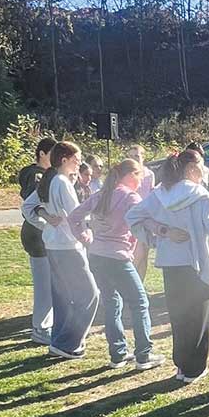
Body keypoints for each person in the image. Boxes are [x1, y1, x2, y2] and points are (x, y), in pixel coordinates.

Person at [126, 148, 209, 383]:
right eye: (201, 164)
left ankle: (182, 365)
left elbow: (133, 217)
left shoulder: (160, 194)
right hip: (195, 263)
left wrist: (162, 231)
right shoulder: (199, 195)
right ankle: (194, 368)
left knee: (179, 316)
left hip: (171, 264)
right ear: (191, 169)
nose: (205, 169)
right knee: (198, 317)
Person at [68, 159, 166, 371]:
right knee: (139, 303)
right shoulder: (130, 197)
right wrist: (161, 233)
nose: (141, 181)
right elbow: (144, 220)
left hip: (97, 255)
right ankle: (144, 355)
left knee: (112, 304)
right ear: (130, 175)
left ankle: (118, 354)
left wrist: (86, 237)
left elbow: (74, 217)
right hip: (118, 258)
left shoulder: (102, 193)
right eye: (139, 176)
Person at [27, 141, 101, 359]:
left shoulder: (51, 179)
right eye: (76, 160)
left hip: (53, 245)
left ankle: (58, 342)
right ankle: (69, 343)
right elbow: (75, 215)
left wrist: (45, 216)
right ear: (64, 160)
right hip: (68, 247)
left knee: (62, 297)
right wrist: (86, 233)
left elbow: (29, 207)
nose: (79, 164)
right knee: (89, 294)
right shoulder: (60, 181)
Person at [18, 137, 57, 345]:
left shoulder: (44, 175)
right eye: (53, 154)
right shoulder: (35, 175)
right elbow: (32, 204)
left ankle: (46, 324)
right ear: (42, 154)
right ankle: (41, 328)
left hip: (42, 234)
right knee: (44, 284)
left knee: (50, 283)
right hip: (36, 235)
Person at [125, 145, 155, 280]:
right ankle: (131, 289)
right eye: (131, 156)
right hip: (130, 218)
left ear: (143, 157)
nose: (135, 159)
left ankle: (141, 286)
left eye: (137, 156)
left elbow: (152, 194)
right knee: (135, 255)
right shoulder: (125, 174)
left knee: (144, 255)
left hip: (146, 217)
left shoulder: (149, 174)